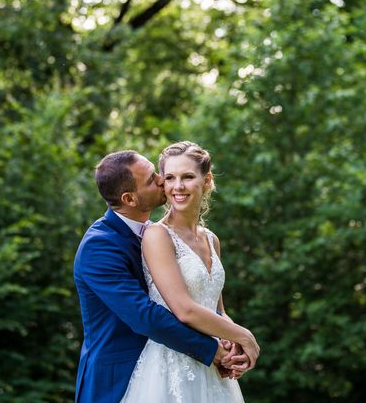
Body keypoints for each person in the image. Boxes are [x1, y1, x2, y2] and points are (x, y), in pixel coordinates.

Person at [73, 150, 249, 403]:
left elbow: (211, 305)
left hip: (188, 365)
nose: (162, 180)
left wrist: (229, 339)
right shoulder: (99, 246)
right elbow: (146, 316)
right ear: (130, 198)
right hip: (121, 380)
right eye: (152, 179)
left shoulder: (164, 233)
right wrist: (215, 351)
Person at [120, 141, 259, 402]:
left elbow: (218, 310)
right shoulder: (157, 235)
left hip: (213, 366)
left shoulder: (212, 240)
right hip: (171, 366)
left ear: (206, 181)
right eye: (170, 178)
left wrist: (233, 345)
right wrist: (246, 336)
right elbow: (184, 309)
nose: (178, 186)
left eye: (187, 177)